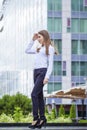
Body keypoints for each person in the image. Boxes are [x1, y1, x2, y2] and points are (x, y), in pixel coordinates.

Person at [25, 30, 57, 129]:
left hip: (43, 72)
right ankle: (42, 118)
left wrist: (47, 76)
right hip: (35, 72)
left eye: (39, 37)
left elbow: (50, 64)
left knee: (33, 94)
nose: (38, 38)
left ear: (44, 36)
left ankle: (36, 119)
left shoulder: (50, 48)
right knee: (39, 95)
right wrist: (32, 40)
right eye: (37, 37)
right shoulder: (38, 48)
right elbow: (26, 50)